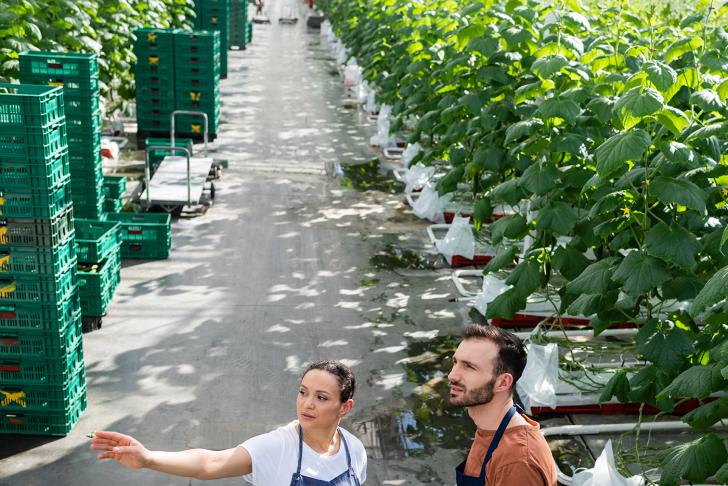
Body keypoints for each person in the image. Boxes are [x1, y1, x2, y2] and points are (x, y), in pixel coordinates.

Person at [90, 360, 367, 485]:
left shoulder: (354, 451)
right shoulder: (278, 447)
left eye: (321, 397)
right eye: (303, 392)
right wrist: (149, 458)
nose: (307, 404)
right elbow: (210, 463)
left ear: (345, 407)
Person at [448, 324, 557, 486]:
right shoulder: (492, 426)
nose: (451, 375)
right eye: (455, 362)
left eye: (469, 367)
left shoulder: (517, 463)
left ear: (503, 382)